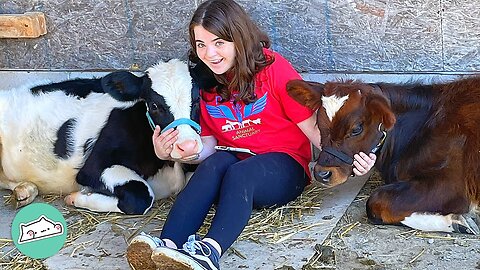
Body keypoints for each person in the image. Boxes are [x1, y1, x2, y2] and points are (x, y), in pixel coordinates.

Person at [126, 0, 376, 269]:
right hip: (236, 165)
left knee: (239, 172)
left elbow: (315, 131)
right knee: (214, 164)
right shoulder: (206, 84)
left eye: (219, 42)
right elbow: (208, 146)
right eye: (201, 44)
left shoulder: (273, 69)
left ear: (238, 38)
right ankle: (168, 247)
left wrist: (353, 160)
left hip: (283, 168)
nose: (209, 53)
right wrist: (172, 151)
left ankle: (209, 253)